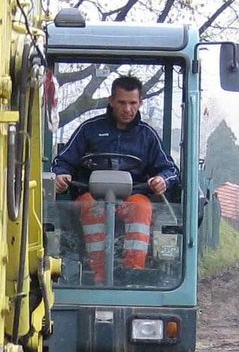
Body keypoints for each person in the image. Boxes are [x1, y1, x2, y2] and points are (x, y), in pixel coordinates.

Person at [52, 74, 180, 282]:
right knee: (90, 206)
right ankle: (100, 276)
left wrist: (162, 179)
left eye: (132, 103)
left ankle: (132, 272)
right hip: (93, 195)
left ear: (140, 103)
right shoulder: (89, 129)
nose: (127, 109)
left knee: (142, 207)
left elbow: (170, 169)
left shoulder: (147, 136)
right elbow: (62, 162)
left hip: (133, 197)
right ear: (111, 101)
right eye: (121, 102)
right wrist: (61, 174)